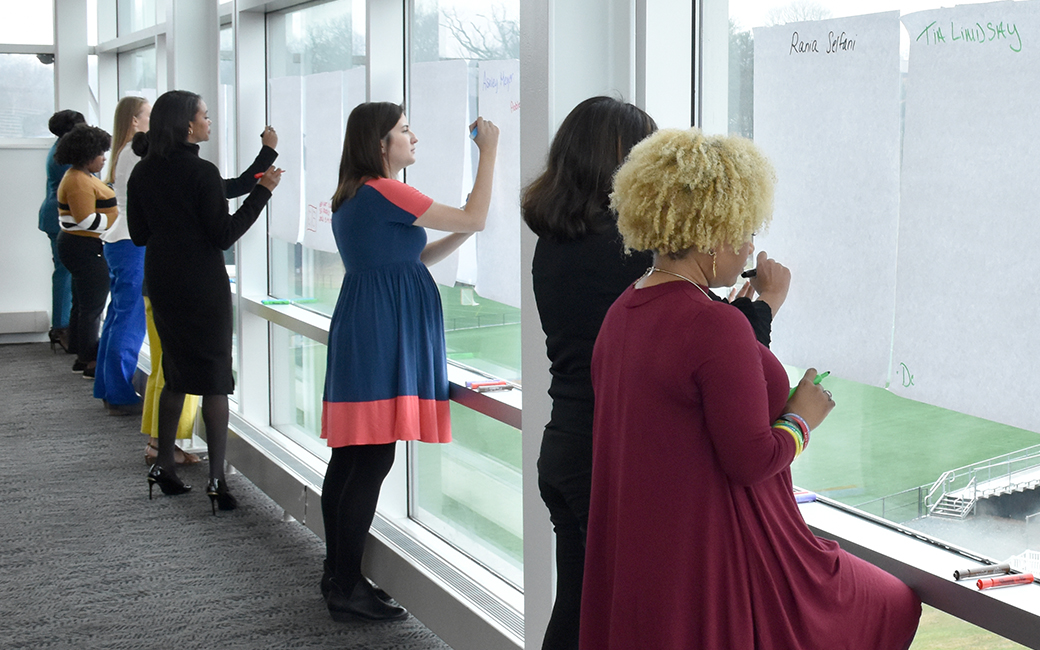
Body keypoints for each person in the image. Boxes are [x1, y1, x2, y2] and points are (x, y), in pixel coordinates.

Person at [579, 128, 921, 649]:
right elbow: (751, 459)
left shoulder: (623, 310)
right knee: (892, 601)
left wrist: (757, 315)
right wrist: (803, 418)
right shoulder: (713, 324)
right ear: (713, 234)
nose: (750, 247)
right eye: (745, 232)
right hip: (716, 551)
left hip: (650, 551)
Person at [522, 96, 789, 650]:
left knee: (578, 611)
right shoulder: (625, 255)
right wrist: (757, 314)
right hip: (608, 454)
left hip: (563, 442)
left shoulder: (552, 243)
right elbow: (693, 354)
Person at [320, 102, 498, 623]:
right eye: (403, 130)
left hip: (368, 322)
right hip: (384, 328)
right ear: (380, 143)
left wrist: (462, 232)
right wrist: (488, 153)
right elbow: (478, 215)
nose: (413, 137)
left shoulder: (355, 195)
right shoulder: (385, 190)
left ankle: (338, 574)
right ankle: (347, 584)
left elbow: (409, 258)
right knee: (372, 459)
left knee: (353, 457)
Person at [126, 89, 282, 513]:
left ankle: (163, 464)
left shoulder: (142, 173)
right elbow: (224, 234)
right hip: (202, 284)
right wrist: (263, 193)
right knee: (214, 379)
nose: (209, 122)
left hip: (162, 281)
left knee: (175, 373)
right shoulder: (201, 171)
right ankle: (216, 479)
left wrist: (263, 162)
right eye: (205, 116)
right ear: (187, 125)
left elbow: (140, 235)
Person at [93, 96, 150, 414]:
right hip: (131, 243)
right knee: (129, 318)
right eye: (148, 115)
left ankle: (108, 386)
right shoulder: (135, 153)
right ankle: (118, 392)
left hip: (119, 240)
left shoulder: (122, 153)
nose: (152, 122)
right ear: (134, 120)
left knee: (117, 315)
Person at [55, 124, 116, 377]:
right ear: (86, 155)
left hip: (80, 245)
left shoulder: (82, 176)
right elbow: (85, 220)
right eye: (100, 154)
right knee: (92, 306)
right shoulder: (78, 180)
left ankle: (82, 355)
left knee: (84, 303)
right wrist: (120, 221)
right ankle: (90, 361)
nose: (104, 158)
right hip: (84, 247)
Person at [39, 110, 86, 353]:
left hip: (55, 216)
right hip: (58, 218)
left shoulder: (60, 148)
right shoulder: (65, 155)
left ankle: (64, 325)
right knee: (64, 273)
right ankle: (61, 327)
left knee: (64, 272)